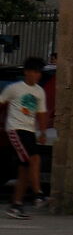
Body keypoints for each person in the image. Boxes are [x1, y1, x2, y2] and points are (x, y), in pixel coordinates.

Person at [3, 59, 49, 219]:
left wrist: (42, 132)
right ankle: (38, 194)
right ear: (26, 72)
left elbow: (42, 113)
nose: (37, 75)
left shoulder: (39, 92)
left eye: (39, 72)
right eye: (34, 71)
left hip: (29, 131)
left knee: (24, 169)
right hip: (15, 129)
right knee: (34, 159)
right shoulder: (14, 89)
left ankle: (16, 205)